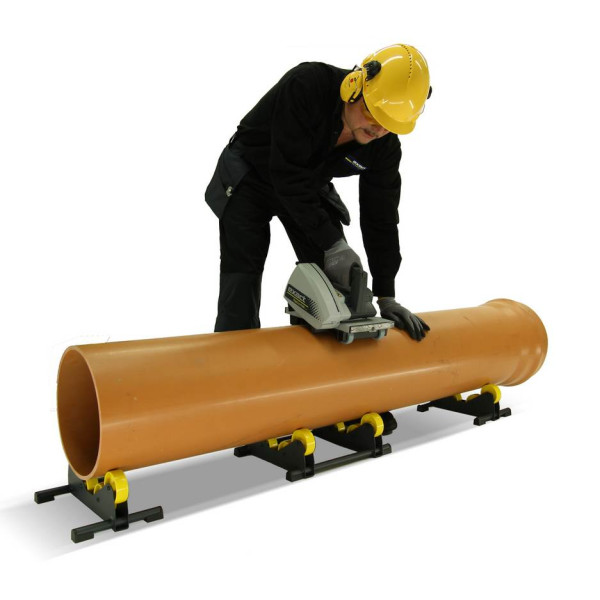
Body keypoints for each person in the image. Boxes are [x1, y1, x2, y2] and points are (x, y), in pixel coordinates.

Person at [205, 43, 431, 341]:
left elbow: (382, 217)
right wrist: (332, 242)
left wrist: (386, 294)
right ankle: (235, 354)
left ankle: (314, 357)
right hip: (252, 172)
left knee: (337, 286)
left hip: (306, 182)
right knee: (242, 278)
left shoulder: (384, 146)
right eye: (372, 114)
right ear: (354, 88)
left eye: (389, 124)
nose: (377, 129)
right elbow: (287, 175)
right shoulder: (307, 86)